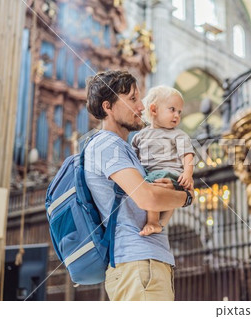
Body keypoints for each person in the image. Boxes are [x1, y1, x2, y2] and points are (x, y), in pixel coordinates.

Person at [83, 70, 194, 301]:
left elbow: (155, 206)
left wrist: (170, 191)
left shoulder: (126, 149)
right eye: (133, 99)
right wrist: (187, 197)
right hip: (137, 264)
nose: (141, 107)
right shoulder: (106, 145)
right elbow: (148, 199)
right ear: (108, 107)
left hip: (147, 263)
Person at [132, 86, 195, 236]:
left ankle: (153, 221)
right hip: (150, 173)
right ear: (154, 110)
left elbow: (188, 155)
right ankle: (160, 224)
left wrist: (187, 174)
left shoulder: (178, 135)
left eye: (179, 112)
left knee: (153, 183)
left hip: (171, 174)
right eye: (172, 109)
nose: (177, 115)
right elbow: (133, 159)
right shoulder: (140, 136)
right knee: (154, 188)